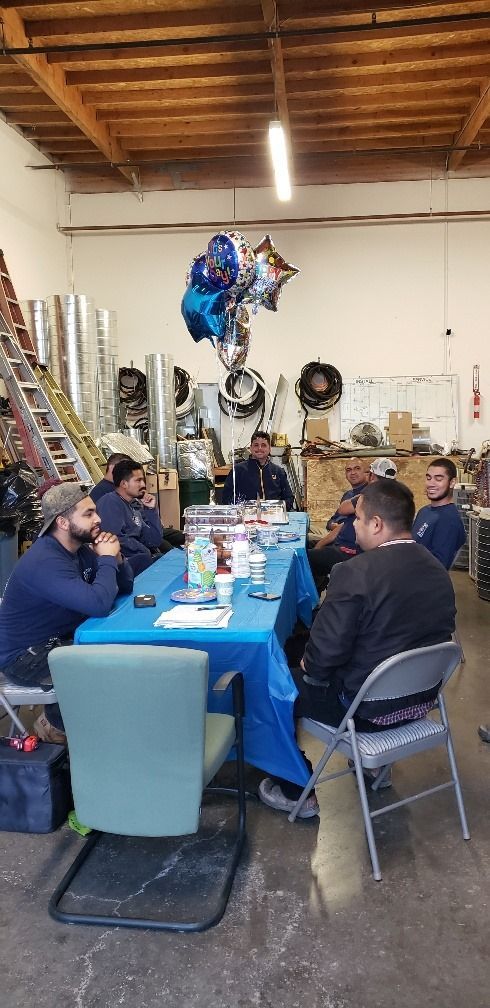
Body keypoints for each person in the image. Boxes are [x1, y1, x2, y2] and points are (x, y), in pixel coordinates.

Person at [259, 480, 456, 819]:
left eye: (359, 519)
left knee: (266, 683)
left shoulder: (354, 573)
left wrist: (310, 660)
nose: (354, 525)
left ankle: (295, 789)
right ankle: (375, 767)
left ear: (377, 524)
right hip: (421, 701)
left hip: (362, 711)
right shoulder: (438, 571)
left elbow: (320, 664)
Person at [0, 483, 134, 744]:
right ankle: (53, 727)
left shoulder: (79, 550)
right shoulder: (46, 561)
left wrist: (116, 561)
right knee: (104, 668)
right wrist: (106, 559)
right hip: (24, 657)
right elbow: (98, 603)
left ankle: (108, 737)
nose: (99, 519)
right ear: (62, 522)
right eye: (88, 514)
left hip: (57, 640)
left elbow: (122, 588)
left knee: (121, 656)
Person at [97, 459, 179, 575]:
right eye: (138, 481)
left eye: (143, 480)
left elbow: (154, 541)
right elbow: (115, 540)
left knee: (173, 561)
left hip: (143, 559)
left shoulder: (134, 505)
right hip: (125, 567)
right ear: (124, 484)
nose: (143, 485)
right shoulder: (110, 502)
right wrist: (146, 552)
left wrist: (151, 510)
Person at [307, 458, 369, 591]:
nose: (352, 473)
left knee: (305, 558)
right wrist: (333, 525)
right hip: (337, 541)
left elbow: (341, 528)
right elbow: (331, 522)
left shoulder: (367, 497)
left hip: (348, 550)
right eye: (349, 470)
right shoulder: (348, 495)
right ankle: (319, 583)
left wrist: (321, 543)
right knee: (303, 544)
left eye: (357, 468)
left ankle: (312, 596)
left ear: (367, 472)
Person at [413, 457, 466, 569]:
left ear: (452, 483)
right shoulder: (424, 511)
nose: (431, 484)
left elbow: (438, 568)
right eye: (428, 478)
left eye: (438, 479)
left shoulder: (448, 521)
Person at [222, 430, 294, 510]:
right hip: (247, 518)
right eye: (256, 445)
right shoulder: (238, 470)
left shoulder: (278, 472)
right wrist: (243, 510)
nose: (259, 448)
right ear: (251, 448)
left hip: (273, 516)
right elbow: (226, 497)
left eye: (263, 445)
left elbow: (289, 498)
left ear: (269, 448)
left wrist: (277, 510)